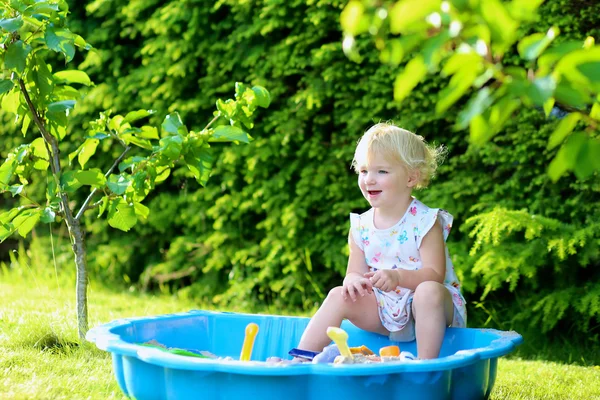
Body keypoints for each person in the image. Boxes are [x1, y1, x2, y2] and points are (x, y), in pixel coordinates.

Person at [297, 122, 466, 359]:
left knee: (428, 291)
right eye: (364, 171)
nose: (369, 180)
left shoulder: (426, 221)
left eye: (382, 171)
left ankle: (425, 366)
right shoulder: (361, 226)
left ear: (411, 177)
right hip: (385, 308)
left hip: (430, 308)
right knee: (338, 294)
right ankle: (300, 359)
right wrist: (354, 282)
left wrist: (398, 277)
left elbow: (434, 274)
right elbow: (353, 272)